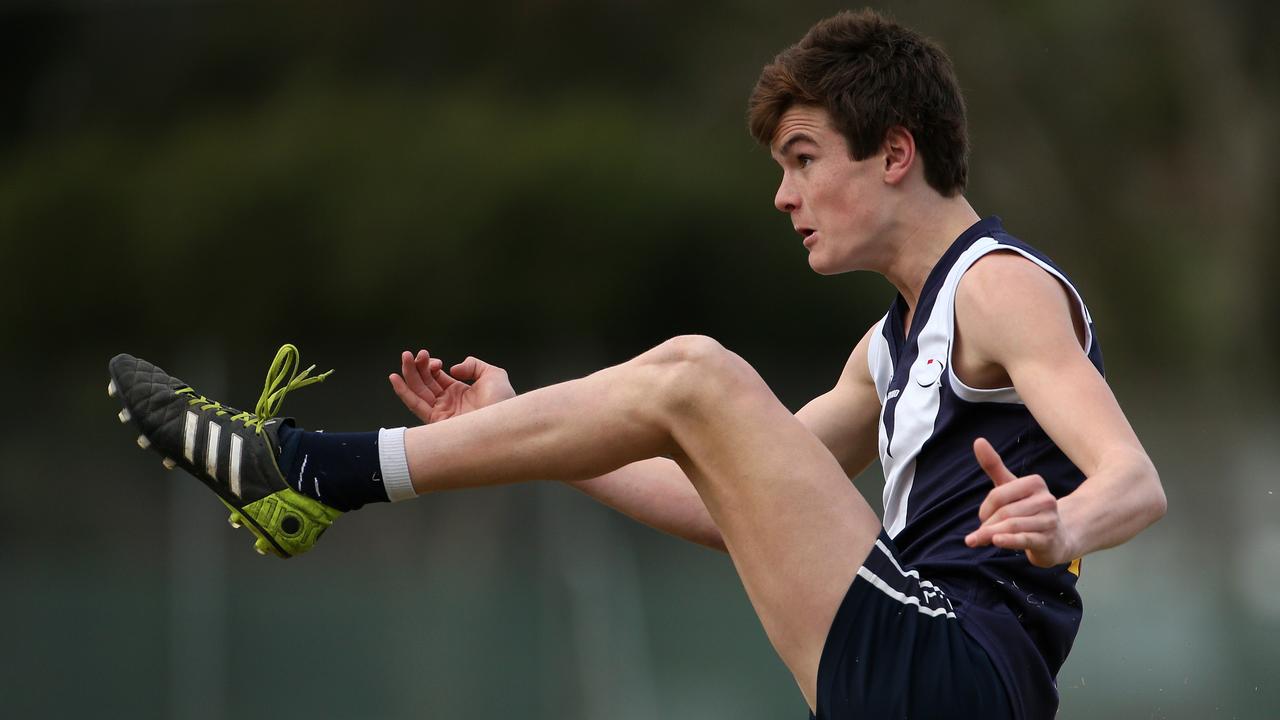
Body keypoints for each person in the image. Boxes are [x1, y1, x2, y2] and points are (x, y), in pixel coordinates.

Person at [106, 9, 1166, 719]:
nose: (782, 197)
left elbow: (1133, 478)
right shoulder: (885, 348)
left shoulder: (999, 286)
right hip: (908, 664)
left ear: (893, 153)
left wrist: (1064, 523)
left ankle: (311, 470)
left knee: (698, 372)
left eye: (801, 161)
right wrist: (527, 431)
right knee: (695, 399)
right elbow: (727, 503)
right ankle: (318, 476)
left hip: (959, 668)